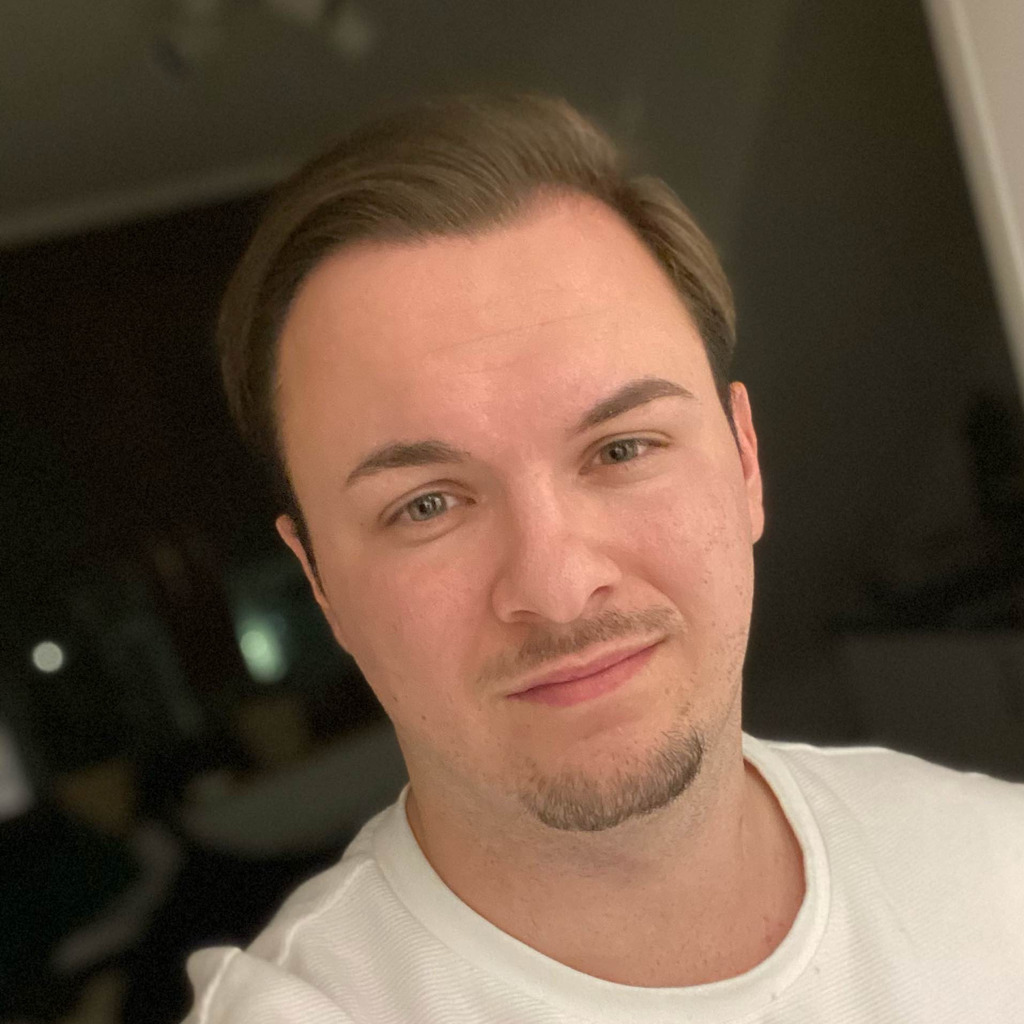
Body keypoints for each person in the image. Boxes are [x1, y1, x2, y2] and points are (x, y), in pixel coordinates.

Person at [183, 94, 1024, 1023]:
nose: (557, 586)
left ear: (745, 461)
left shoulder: (999, 868)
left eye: (622, 448)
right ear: (319, 584)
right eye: (426, 505)